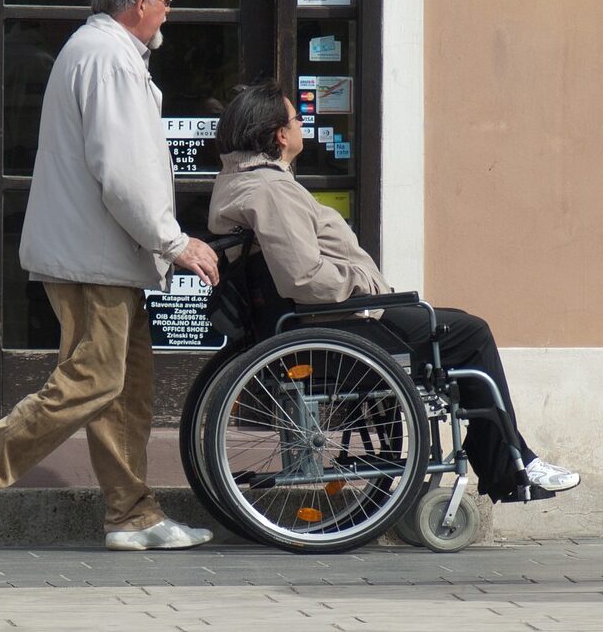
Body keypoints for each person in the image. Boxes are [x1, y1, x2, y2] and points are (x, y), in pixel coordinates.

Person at [0, 0, 220, 550]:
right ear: (139, 4)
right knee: (95, 380)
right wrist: (174, 240)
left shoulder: (101, 52)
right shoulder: (109, 58)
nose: (170, 10)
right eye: (166, 0)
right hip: (94, 256)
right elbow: (123, 171)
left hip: (101, 254)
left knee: (125, 389)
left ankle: (132, 515)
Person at [207, 80, 580, 503]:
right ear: (279, 135)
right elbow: (304, 278)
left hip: (326, 321)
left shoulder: (242, 183)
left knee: (454, 327)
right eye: (297, 118)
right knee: (470, 333)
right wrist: (365, 286)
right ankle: (509, 460)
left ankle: (505, 454)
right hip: (339, 323)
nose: (301, 125)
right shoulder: (272, 191)